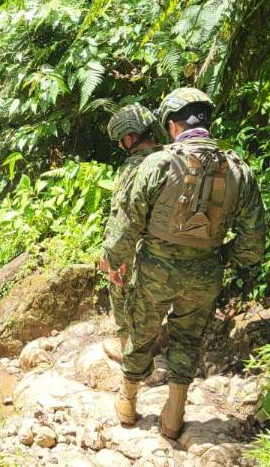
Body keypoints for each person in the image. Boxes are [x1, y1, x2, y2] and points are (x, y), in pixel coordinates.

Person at [102, 87, 266, 439]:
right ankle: (174, 414)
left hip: (155, 269)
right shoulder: (239, 170)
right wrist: (221, 255)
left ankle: (128, 403)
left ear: (172, 126)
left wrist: (113, 260)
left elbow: (129, 220)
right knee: (187, 340)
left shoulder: (157, 163)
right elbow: (253, 246)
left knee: (141, 332)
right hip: (205, 273)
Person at [100, 103, 162, 362]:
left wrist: (111, 257)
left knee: (118, 287)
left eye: (120, 140)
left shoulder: (134, 167)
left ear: (130, 137)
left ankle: (129, 348)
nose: (119, 146)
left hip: (140, 250)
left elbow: (124, 216)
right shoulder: (172, 158)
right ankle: (156, 338)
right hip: (174, 249)